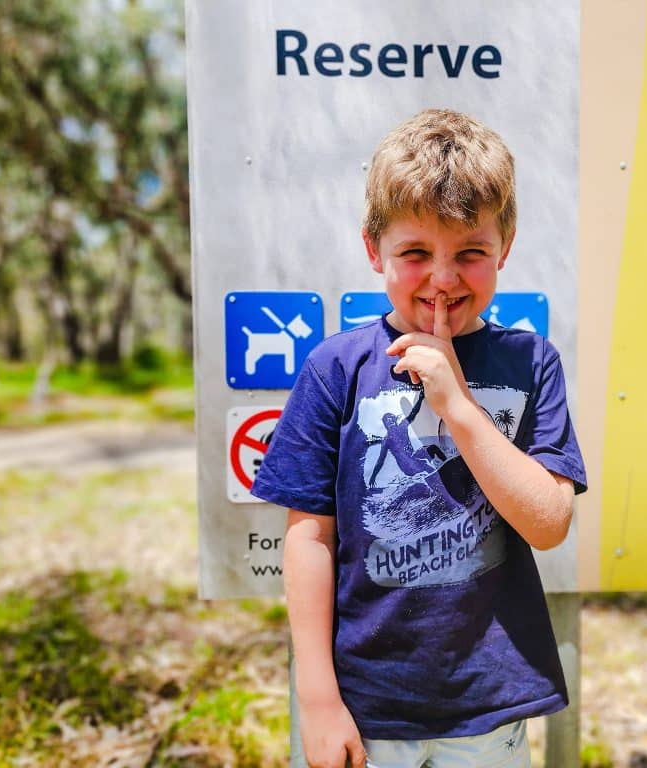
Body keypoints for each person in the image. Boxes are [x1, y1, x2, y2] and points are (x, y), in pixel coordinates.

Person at [252, 108, 587, 768]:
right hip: (364, 707)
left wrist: (458, 405)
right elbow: (309, 537)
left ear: (505, 246)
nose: (442, 278)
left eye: (469, 253)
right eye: (414, 254)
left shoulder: (531, 364)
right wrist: (317, 699)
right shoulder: (336, 367)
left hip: (490, 706)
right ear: (373, 249)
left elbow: (548, 523)